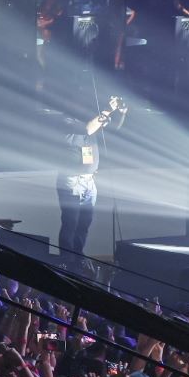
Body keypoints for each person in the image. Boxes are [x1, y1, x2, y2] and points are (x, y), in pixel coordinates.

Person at [56, 95, 126, 258]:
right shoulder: (66, 121)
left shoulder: (91, 121)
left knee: (84, 223)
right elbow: (88, 128)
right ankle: (66, 260)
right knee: (70, 223)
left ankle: (78, 256)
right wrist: (108, 110)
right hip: (71, 181)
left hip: (89, 181)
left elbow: (114, 128)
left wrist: (121, 112)